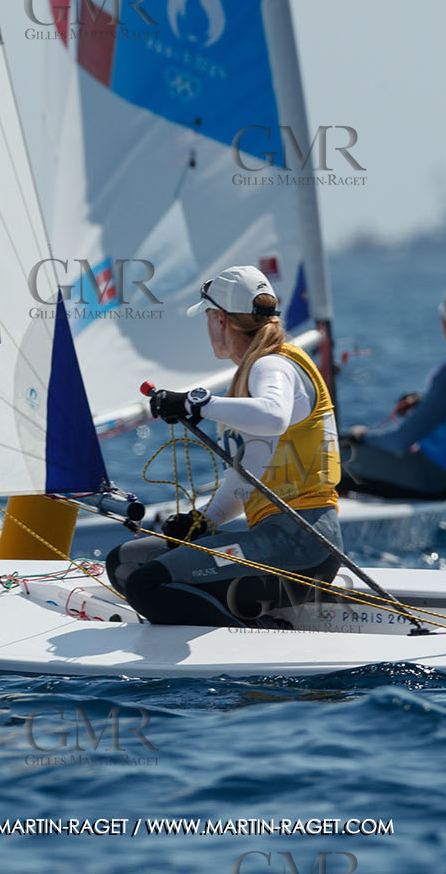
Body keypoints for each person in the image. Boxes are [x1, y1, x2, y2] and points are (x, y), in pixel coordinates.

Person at [106, 265, 342, 628]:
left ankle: (256, 635)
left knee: (146, 583)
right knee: (125, 562)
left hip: (302, 549)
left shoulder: (273, 366)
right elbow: (246, 478)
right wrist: (203, 522)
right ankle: (223, 617)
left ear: (220, 320)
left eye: (208, 317)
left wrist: (195, 403)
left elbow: (273, 416)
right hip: (274, 542)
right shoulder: (253, 373)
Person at [340, 287, 446, 499]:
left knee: (329, 460)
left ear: (445, 325)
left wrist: (362, 435)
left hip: (432, 481)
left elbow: (399, 442)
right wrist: (426, 402)